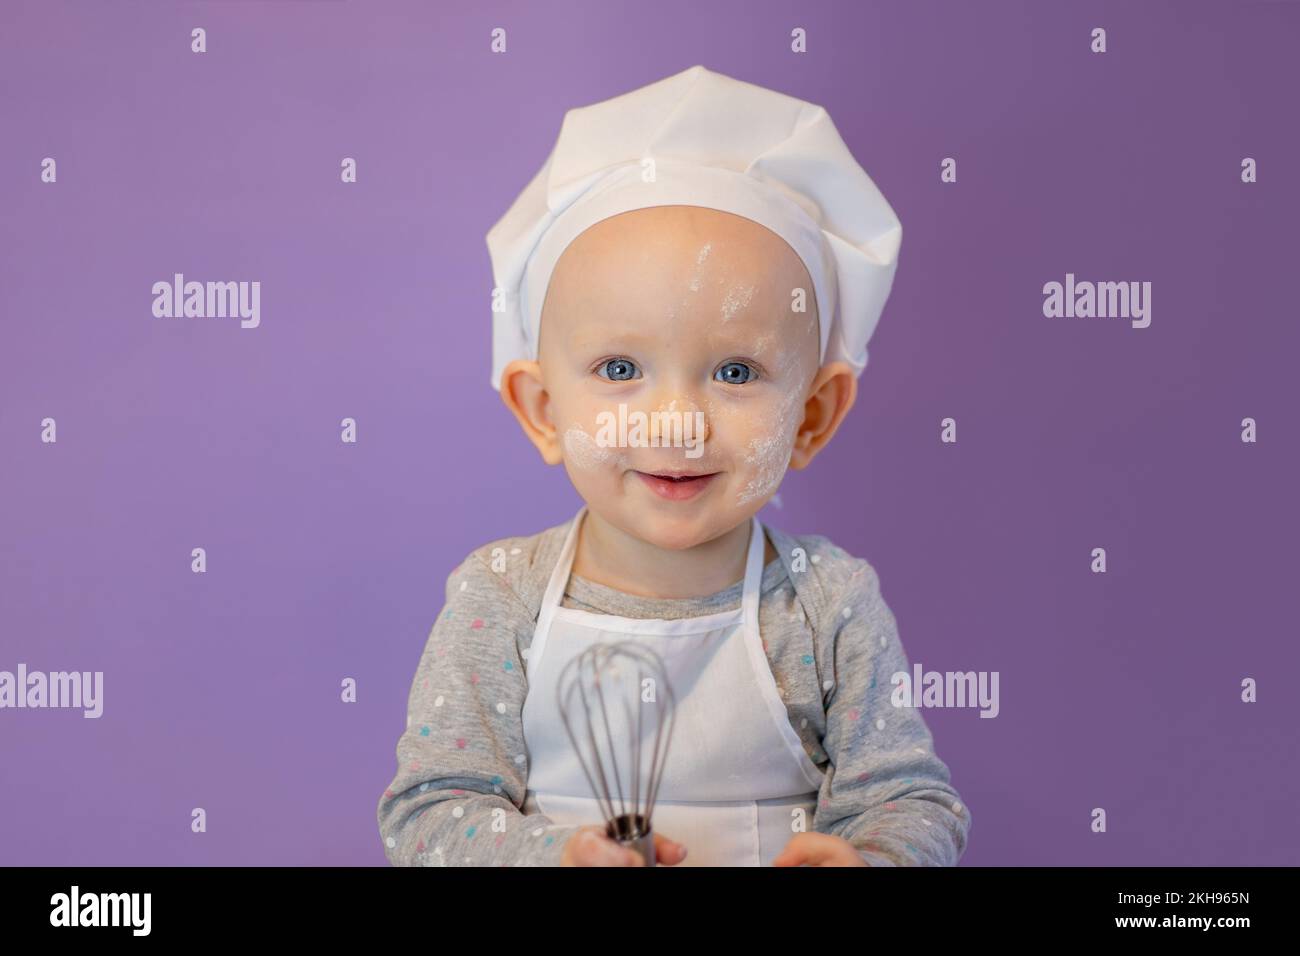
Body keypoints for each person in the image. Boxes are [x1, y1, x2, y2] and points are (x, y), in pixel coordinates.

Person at [377, 64, 970, 866]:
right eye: (620, 370)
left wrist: (873, 859)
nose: (677, 425)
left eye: (734, 373)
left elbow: (910, 801)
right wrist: (555, 857)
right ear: (542, 409)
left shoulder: (830, 606)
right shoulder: (501, 597)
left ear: (813, 415)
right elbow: (431, 813)